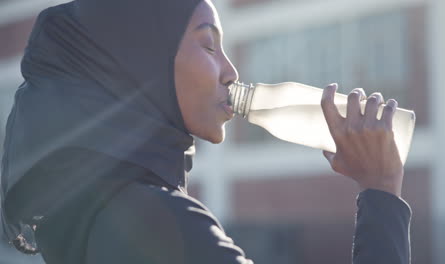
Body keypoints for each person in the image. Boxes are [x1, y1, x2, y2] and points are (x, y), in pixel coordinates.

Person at [0, 0, 411, 263]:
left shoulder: (78, 216)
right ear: (144, 64)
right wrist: (381, 192)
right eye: (209, 46)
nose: (231, 72)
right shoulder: (160, 225)